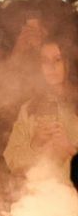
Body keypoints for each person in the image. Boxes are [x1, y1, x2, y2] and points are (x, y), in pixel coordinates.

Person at [5, 39, 78, 180]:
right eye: (45, 61)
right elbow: (12, 161)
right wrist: (35, 143)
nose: (51, 67)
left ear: (67, 63)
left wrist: (70, 149)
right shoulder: (28, 109)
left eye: (57, 60)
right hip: (39, 197)